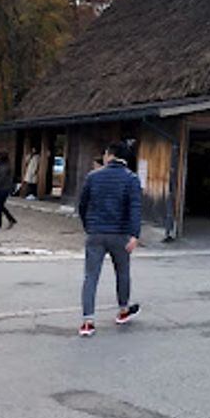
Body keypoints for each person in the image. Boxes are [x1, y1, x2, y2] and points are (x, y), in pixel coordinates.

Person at [77, 141, 141, 338]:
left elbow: (82, 205)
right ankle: (123, 310)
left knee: (91, 276)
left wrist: (88, 226)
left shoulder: (93, 177)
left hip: (95, 232)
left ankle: (88, 321)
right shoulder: (131, 179)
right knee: (122, 273)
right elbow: (135, 209)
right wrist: (134, 235)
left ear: (109, 155)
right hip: (120, 234)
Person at [0, 150, 17, 229]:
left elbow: (1, 178)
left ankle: (5, 221)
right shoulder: (2, 165)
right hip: (1, 187)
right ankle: (3, 221)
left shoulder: (4, 167)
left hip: (4, 188)